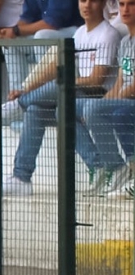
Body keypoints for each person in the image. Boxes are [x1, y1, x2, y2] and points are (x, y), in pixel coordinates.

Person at [4, 0, 120, 195]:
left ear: (102, 4)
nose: (87, 6)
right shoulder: (81, 32)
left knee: (62, 95)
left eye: (92, 1)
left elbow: (97, 80)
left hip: (98, 96)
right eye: (83, 0)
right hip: (78, 95)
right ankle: (21, 177)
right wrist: (26, 89)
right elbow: (53, 66)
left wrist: (67, 82)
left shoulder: (108, 34)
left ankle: (18, 105)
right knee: (35, 111)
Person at [78, 0, 135, 194]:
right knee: (70, 109)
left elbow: (132, 87)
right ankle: (112, 167)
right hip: (124, 100)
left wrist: (106, 105)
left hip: (131, 101)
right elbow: (120, 82)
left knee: (112, 112)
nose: (125, 10)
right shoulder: (126, 42)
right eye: (122, 4)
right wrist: (101, 105)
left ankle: (130, 171)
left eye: (132, 4)